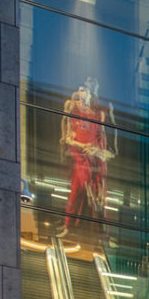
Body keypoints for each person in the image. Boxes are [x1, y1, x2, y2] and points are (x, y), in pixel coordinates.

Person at [60, 77, 114, 243]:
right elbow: (66, 137)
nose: (83, 94)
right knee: (79, 186)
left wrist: (99, 151)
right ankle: (68, 226)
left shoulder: (98, 115)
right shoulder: (72, 108)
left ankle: (104, 233)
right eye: (81, 90)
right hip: (79, 154)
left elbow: (103, 140)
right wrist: (81, 145)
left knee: (102, 193)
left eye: (86, 90)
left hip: (94, 157)